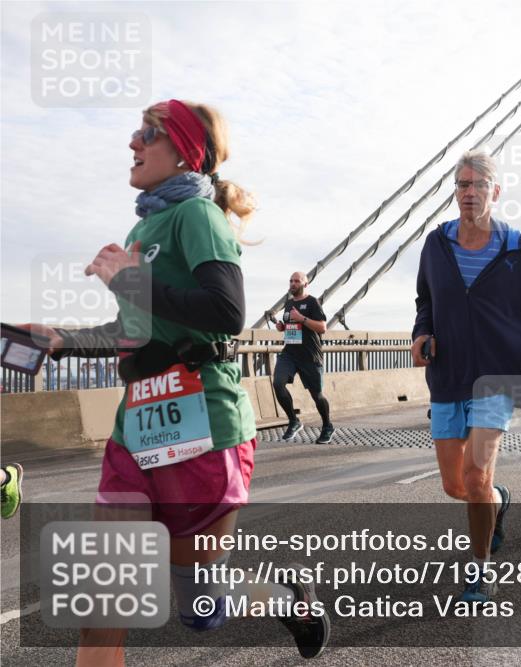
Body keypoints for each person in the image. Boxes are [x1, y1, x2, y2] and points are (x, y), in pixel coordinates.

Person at [22, 100, 330, 662]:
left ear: (184, 151)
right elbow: (136, 329)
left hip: (202, 425)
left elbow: (225, 310)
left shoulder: (198, 216)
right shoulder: (142, 226)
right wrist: (61, 339)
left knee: (200, 607)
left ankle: (290, 599)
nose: (132, 143)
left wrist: (133, 281)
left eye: (148, 134)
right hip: (135, 431)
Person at [411, 149, 521, 603]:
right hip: (447, 375)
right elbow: (425, 301)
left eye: (478, 185)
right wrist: (422, 332)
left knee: (476, 474)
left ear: (494, 192)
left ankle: (480, 572)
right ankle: (499, 500)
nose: (469, 193)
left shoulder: (519, 248)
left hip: (501, 375)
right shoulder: (436, 245)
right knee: (455, 485)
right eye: (462, 185)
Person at [270, 271, 334, 444]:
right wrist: (281, 326)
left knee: (317, 395)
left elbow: (322, 327)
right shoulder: (289, 303)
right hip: (290, 353)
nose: (292, 283)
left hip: (310, 355)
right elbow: (290, 324)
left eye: (297, 281)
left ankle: (327, 426)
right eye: (291, 280)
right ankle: (293, 420)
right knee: (277, 383)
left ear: (305, 284)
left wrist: (302, 318)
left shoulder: (312, 302)